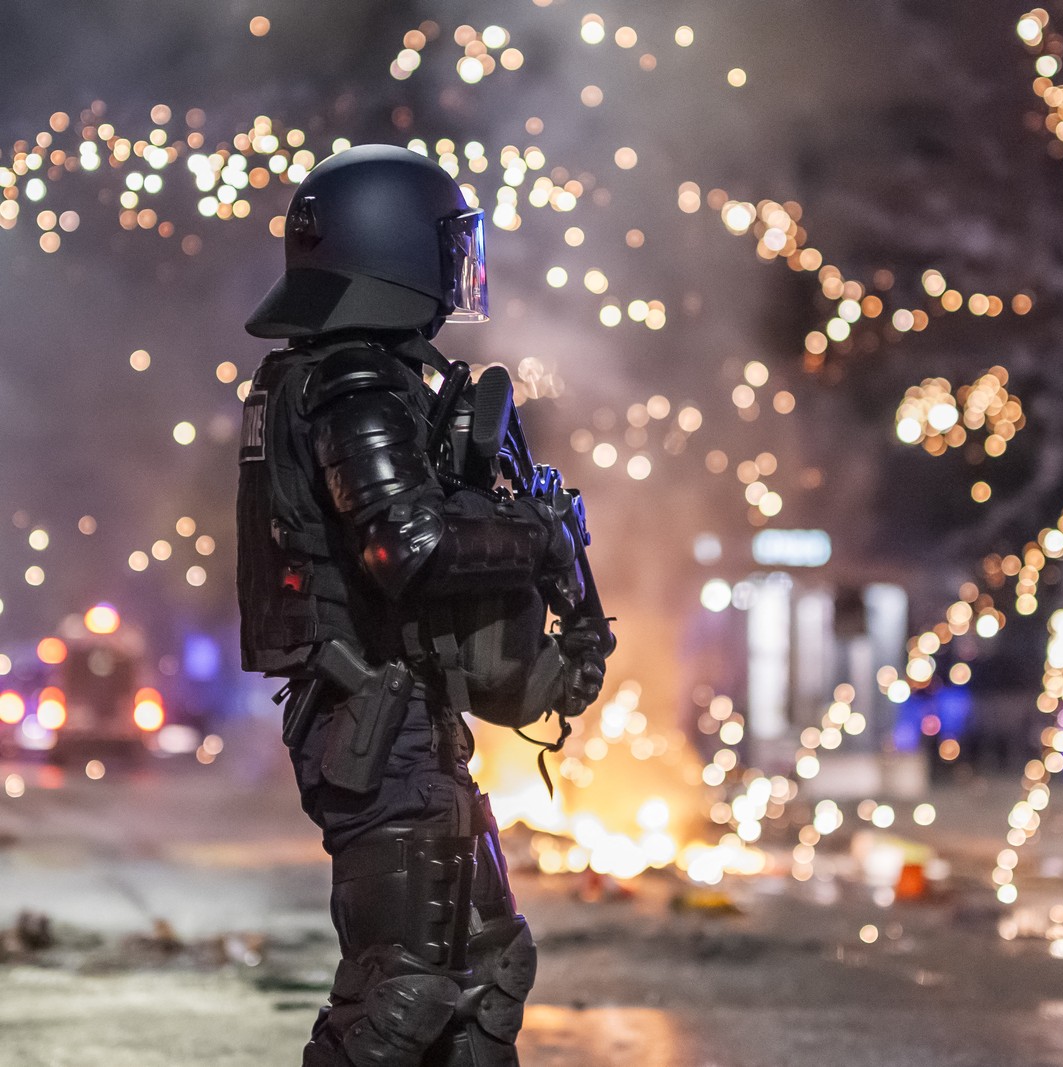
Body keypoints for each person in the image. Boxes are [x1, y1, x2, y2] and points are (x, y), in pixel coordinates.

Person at [236, 143, 614, 1067]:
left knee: (486, 970)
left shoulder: (365, 376)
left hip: (405, 717)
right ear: (393, 250)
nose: (457, 272)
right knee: (401, 992)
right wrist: (537, 536)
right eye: (446, 247)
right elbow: (406, 544)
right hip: (370, 724)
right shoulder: (351, 382)